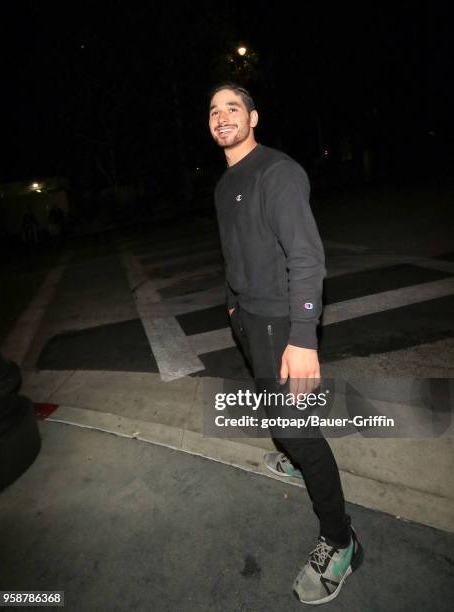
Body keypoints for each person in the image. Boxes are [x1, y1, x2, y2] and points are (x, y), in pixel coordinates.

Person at [208, 82, 363, 605]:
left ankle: (341, 541)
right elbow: (233, 253)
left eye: (233, 107)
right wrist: (232, 306)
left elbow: (307, 257)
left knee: (295, 429)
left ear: (253, 119)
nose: (222, 115)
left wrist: (303, 337)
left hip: (280, 320)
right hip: (250, 317)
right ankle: (293, 453)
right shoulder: (225, 182)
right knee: (277, 412)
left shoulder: (277, 172)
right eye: (214, 110)